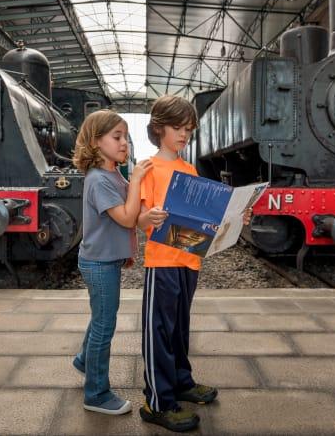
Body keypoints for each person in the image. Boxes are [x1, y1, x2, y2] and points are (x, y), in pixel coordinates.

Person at [136, 96, 250, 432]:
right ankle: (156, 402)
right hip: (161, 262)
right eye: (177, 128)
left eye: (188, 129)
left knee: (179, 327)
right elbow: (139, 220)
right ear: (159, 128)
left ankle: (182, 382)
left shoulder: (189, 170)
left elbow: (204, 221)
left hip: (189, 260)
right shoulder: (148, 168)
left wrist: (236, 216)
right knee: (158, 330)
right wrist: (148, 216)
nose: (184, 134)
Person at [71, 109, 152, 415]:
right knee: (105, 325)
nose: (124, 144)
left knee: (100, 317)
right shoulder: (99, 180)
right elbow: (127, 216)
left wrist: (126, 250)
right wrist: (138, 181)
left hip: (106, 259)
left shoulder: (112, 174)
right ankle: (96, 394)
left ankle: (83, 361)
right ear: (95, 141)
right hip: (98, 263)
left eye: (126, 138)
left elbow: (122, 224)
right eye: (116, 137)